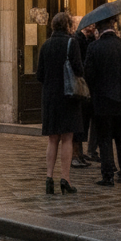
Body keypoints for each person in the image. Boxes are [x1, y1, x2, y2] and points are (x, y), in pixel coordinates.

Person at [36, 11, 84, 195]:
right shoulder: (72, 43)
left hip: (49, 97)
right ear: (68, 26)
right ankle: (65, 178)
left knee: (52, 138)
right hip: (68, 96)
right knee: (67, 138)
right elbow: (79, 70)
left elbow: (39, 74)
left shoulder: (45, 45)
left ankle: (49, 178)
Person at [84, 14, 121, 186]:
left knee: (104, 138)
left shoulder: (94, 47)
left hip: (102, 99)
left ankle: (108, 175)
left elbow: (88, 74)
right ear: (113, 25)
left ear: (98, 28)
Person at [71, 19, 95, 167]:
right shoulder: (76, 40)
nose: (92, 26)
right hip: (80, 87)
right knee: (79, 122)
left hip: (88, 87)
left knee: (84, 121)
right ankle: (75, 153)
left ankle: (80, 152)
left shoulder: (90, 40)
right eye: (90, 24)